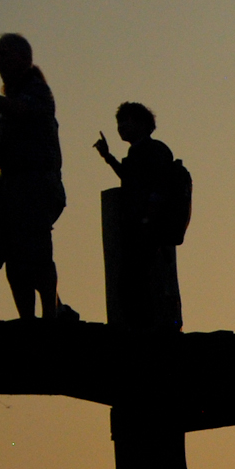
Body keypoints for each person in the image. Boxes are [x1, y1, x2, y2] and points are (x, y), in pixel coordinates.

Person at [0, 34, 67, 321]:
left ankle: (51, 313)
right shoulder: (15, 93)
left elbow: (22, 112)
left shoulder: (37, 90)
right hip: (10, 183)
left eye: (4, 54)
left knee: (33, 258)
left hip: (37, 186)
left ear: (24, 58)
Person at [91, 101, 182, 332]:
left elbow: (158, 188)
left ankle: (145, 328)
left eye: (126, 121)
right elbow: (129, 179)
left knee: (140, 281)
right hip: (139, 227)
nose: (121, 127)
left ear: (142, 124)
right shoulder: (139, 151)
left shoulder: (155, 150)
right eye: (119, 122)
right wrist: (108, 157)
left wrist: (147, 220)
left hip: (150, 229)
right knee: (132, 281)